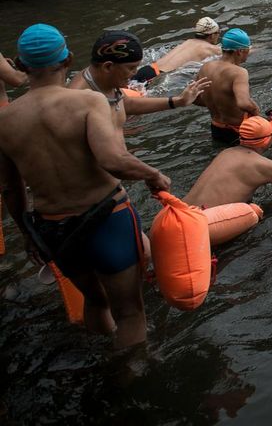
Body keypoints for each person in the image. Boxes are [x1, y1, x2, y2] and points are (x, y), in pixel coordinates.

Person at [0, 24, 170, 348]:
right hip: (107, 220)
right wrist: (153, 174)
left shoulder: (5, 122)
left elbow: (10, 189)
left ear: (20, 66)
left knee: (96, 301)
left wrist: (28, 235)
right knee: (131, 313)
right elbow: (113, 160)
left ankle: (100, 359)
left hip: (54, 228)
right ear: (68, 60)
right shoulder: (88, 102)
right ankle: (127, 378)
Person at [67, 31, 208, 129]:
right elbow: (111, 158)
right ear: (108, 66)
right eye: (131, 68)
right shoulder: (77, 102)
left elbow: (127, 104)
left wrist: (179, 101)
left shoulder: (102, 78)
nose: (134, 73)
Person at [184, 117, 272, 208]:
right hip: (204, 223)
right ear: (268, 140)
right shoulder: (263, 166)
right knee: (254, 215)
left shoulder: (226, 153)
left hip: (180, 210)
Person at [194, 28, 259, 145]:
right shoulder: (239, 72)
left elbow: (194, 98)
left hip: (216, 128)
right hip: (238, 131)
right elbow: (243, 103)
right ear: (239, 51)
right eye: (247, 50)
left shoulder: (205, 67)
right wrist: (257, 114)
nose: (248, 54)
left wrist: (217, 103)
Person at [134, 16, 223, 83]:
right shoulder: (212, 49)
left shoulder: (188, 42)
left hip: (147, 69)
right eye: (218, 32)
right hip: (157, 77)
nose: (219, 34)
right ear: (212, 35)